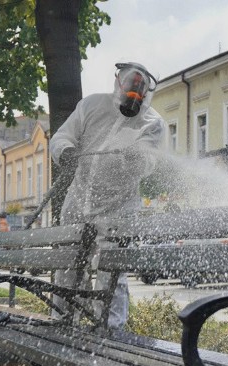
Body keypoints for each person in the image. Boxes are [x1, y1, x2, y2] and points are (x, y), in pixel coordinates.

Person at [49, 62, 165, 328]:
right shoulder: (91, 106)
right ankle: (63, 323)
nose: (132, 96)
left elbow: (149, 162)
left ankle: (110, 330)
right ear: (118, 83)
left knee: (110, 272)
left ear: (146, 93)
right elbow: (61, 137)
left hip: (118, 208)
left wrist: (135, 158)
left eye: (139, 91)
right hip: (78, 201)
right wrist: (66, 152)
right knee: (67, 268)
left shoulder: (151, 123)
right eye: (129, 88)